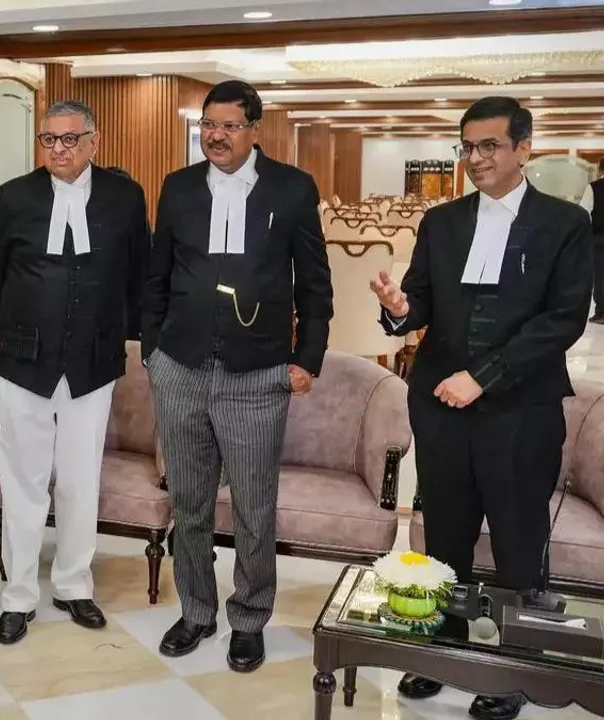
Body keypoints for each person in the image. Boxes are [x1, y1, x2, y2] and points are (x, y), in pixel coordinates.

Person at [372, 96, 592, 720]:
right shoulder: (441, 223)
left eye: (489, 146)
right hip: (441, 406)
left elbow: (563, 320)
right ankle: (445, 653)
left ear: (524, 148)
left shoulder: (562, 225)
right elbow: (418, 304)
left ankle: (514, 672)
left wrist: (485, 377)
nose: (475, 158)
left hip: (520, 409)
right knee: (445, 534)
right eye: (466, 146)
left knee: (520, 541)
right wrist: (397, 308)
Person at [143, 79, 333, 673]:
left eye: (228, 125)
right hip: (181, 368)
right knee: (189, 501)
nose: (215, 136)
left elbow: (316, 285)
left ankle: (249, 617)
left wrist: (307, 358)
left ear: (255, 129)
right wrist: (152, 350)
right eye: (208, 124)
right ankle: (197, 610)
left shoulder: (292, 188)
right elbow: (156, 277)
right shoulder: (177, 188)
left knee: (254, 505)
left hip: (257, 375)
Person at [0, 100, 150, 644]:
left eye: (70, 139)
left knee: (81, 480)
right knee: (22, 481)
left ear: (94, 142)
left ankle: (74, 586)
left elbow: (136, 276)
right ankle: (19, 595)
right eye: (48, 139)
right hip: (22, 363)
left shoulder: (124, 197)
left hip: (92, 363)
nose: (58, 149)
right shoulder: (14, 196)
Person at [583, 161, 603, 324]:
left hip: (599, 238)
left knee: (601, 275)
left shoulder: (594, 187)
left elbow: (584, 213)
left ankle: (602, 312)